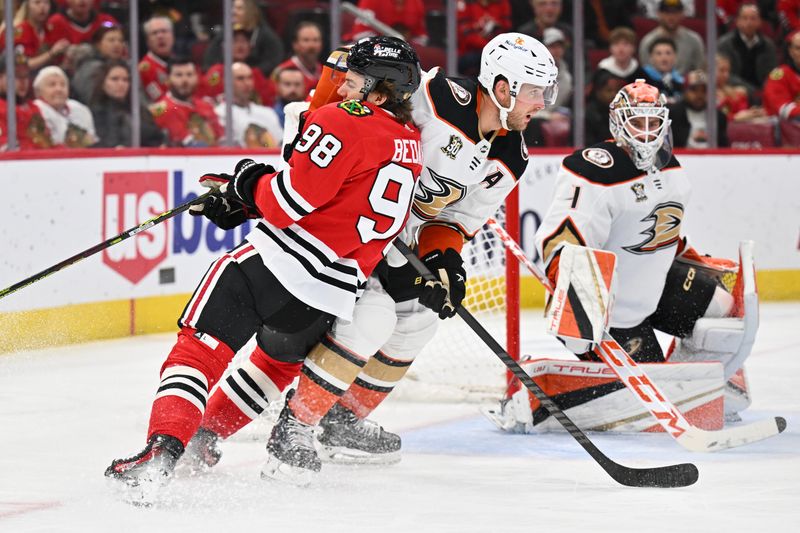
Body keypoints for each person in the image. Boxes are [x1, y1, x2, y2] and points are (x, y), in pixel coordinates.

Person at [187, 32, 557, 484]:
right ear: (503, 88)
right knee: (338, 330)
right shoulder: (435, 97)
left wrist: (443, 259)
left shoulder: (510, 156)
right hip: (341, 225)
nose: (543, 104)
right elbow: (357, 98)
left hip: (392, 239)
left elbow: (455, 219)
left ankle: (340, 418)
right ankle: (288, 428)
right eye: (536, 92)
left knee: (419, 319)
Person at [104, 35, 423, 499]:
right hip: (329, 294)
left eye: (354, 82)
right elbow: (336, 202)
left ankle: (163, 449)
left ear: (379, 91)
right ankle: (205, 437)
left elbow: (288, 202)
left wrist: (247, 182)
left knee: (197, 350)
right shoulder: (410, 144)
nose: (344, 90)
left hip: (271, 266)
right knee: (273, 365)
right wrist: (247, 196)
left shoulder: (341, 119)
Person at [534, 78, 742, 366]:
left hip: (653, 293)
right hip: (612, 315)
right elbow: (561, 242)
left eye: (653, 123)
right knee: (648, 389)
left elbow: (658, 230)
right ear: (618, 123)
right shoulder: (593, 171)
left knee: (723, 309)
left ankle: (696, 383)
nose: (646, 133)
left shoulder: (672, 170)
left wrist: (688, 255)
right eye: (637, 123)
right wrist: (578, 309)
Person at [148, 57, 224, 147]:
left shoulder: (206, 105)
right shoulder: (162, 110)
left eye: (189, 75)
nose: (185, 80)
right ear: (167, 79)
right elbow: (190, 145)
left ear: (197, 77)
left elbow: (222, 139)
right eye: (179, 75)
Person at [89, 59, 165, 147]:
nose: (121, 84)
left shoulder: (140, 110)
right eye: (114, 79)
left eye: (125, 80)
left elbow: (155, 136)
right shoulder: (95, 112)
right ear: (102, 83)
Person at [203, 0, 283, 77]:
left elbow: (273, 64)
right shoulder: (224, 34)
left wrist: (247, 73)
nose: (233, 11)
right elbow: (209, 64)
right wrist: (221, 74)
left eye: (239, 8)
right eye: (233, 7)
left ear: (252, 12)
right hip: (224, 79)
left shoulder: (267, 37)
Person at [201, 25, 275, 106]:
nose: (240, 46)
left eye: (244, 41)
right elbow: (206, 93)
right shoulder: (216, 73)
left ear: (250, 47)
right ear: (224, 47)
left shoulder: (256, 74)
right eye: (235, 41)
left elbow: (267, 101)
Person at [214, 62, 282, 148]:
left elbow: (280, 143)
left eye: (249, 78)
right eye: (240, 78)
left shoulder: (268, 113)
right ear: (227, 82)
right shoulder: (220, 114)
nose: (247, 83)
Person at [718, 3, 778, 91]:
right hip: (734, 90)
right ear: (737, 21)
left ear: (760, 22)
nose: (749, 23)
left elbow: (772, 73)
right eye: (744, 18)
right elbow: (724, 74)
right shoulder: (724, 44)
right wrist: (749, 90)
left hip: (763, 92)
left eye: (753, 18)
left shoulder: (768, 45)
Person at [32, 65, 96, 147]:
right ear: (38, 91)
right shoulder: (34, 110)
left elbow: (91, 142)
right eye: (52, 85)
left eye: (63, 85)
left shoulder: (80, 109)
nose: (59, 89)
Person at [0, 54, 52, 149]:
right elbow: (5, 148)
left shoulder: (33, 107)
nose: (23, 81)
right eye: (16, 76)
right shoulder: (1, 108)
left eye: (26, 76)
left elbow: (46, 143)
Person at [638, 0, 705, 74]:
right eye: (667, 13)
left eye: (675, 13)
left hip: (686, 84)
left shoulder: (694, 40)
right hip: (656, 84)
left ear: (682, 14)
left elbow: (700, 70)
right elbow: (646, 72)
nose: (671, 17)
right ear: (659, 14)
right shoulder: (648, 42)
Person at [0, 0, 69, 71]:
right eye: (37, 2)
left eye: (46, 3)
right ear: (28, 6)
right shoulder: (18, 32)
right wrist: (51, 54)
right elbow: (23, 66)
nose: (42, 7)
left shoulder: (51, 30)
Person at [668, 70, 729, 148]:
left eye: (704, 90)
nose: (699, 95)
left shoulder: (719, 117)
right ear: (684, 91)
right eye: (694, 90)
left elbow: (723, 148)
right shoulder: (672, 115)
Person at [70, 23, 125, 104]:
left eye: (120, 41)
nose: (117, 44)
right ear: (98, 44)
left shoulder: (125, 66)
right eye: (111, 40)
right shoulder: (90, 68)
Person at [274, 21, 324, 98]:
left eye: (316, 40)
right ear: (295, 44)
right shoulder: (281, 71)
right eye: (306, 40)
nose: (311, 45)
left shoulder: (326, 71)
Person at [347, 0, 428, 46]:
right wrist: (387, 46)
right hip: (371, 48)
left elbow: (421, 37)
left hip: (404, 50)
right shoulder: (371, 1)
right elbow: (361, 35)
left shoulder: (416, 2)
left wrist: (408, 48)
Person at [763, 30, 800, 120]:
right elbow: (784, 110)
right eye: (798, 48)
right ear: (790, 51)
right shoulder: (779, 75)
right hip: (785, 128)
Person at [138, 16, 174, 103]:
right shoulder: (145, 68)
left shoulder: (180, 62)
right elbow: (159, 101)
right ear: (147, 41)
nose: (160, 36)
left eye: (164, 31)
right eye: (154, 33)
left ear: (172, 36)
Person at [642, 37, 684, 102]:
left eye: (668, 53)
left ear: (675, 56)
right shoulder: (642, 81)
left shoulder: (681, 82)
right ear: (651, 57)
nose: (664, 58)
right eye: (659, 53)